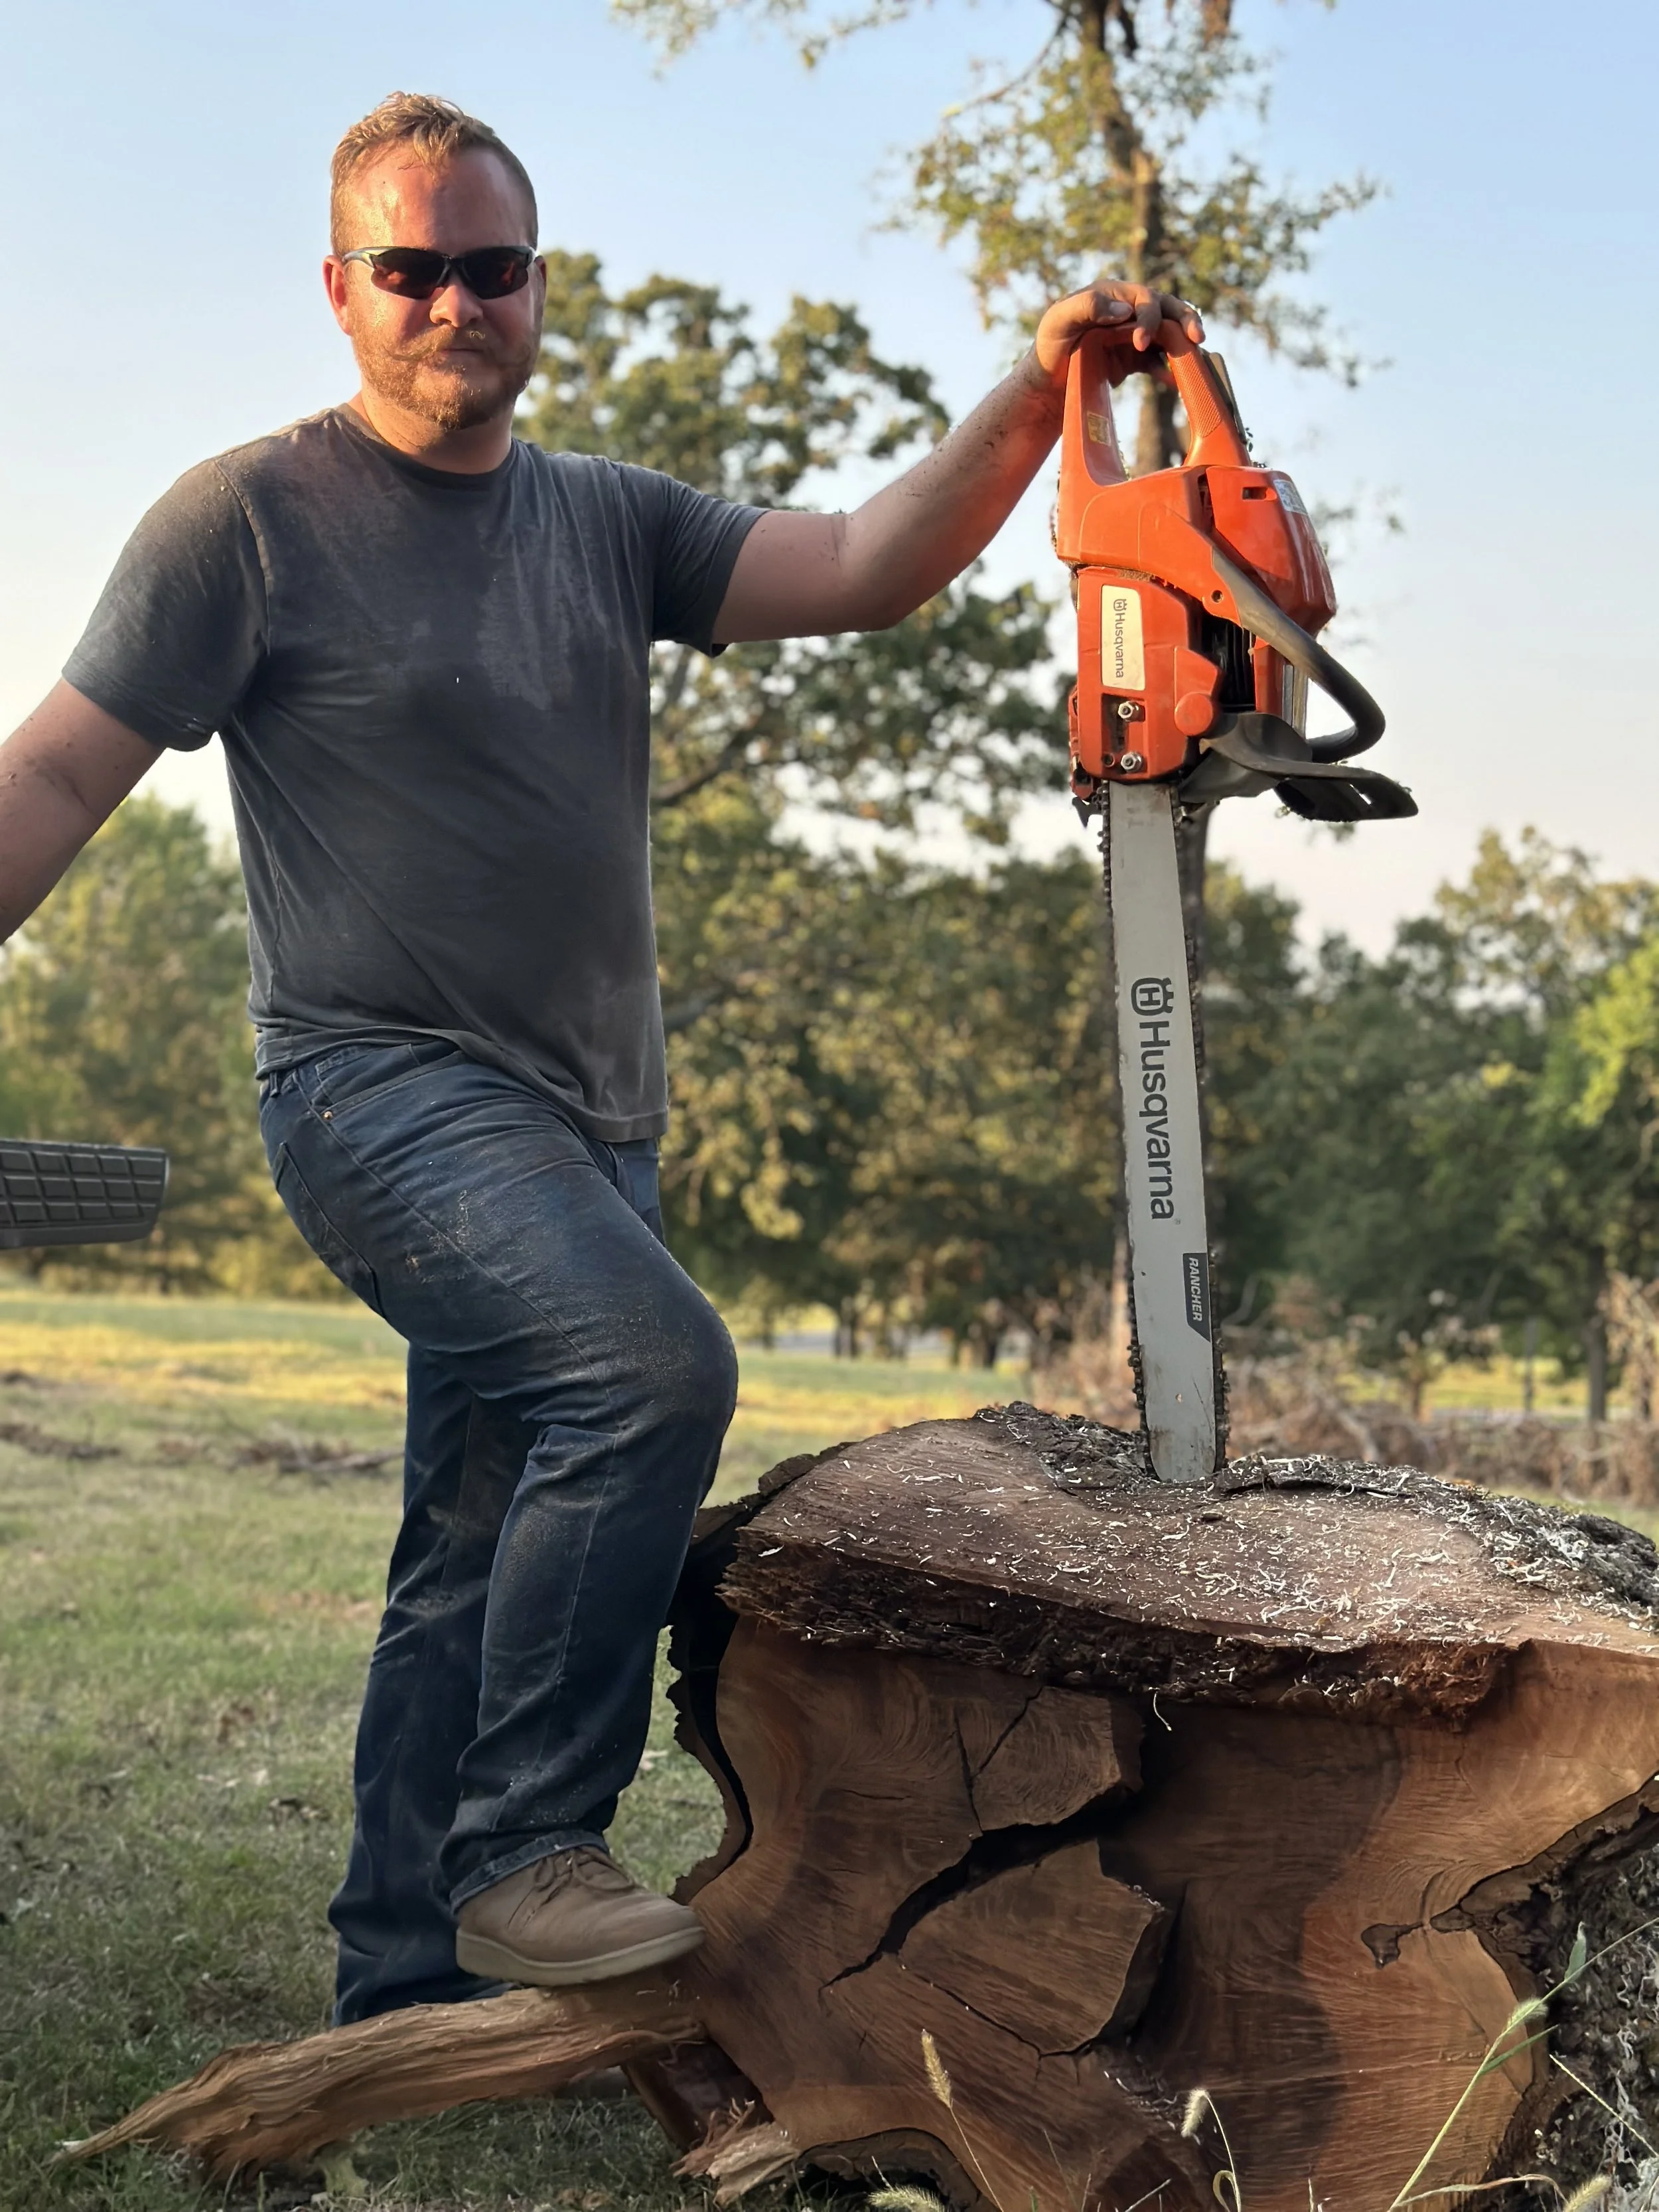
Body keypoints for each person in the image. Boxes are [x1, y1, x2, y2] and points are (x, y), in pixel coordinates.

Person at [0, 93, 1202, 2024]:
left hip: (585, 1120)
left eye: (490, 267)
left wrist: (1032, 387)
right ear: (342, 290)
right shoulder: (245, 521)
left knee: (464, 1561)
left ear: (535, 286)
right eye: (412, 269)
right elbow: (60, 763)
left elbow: (865, 564)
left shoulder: (607, 517)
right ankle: (521, 1850)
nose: (453, 302)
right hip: (373, 1092)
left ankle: (401, 1990)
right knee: (653, 1366)